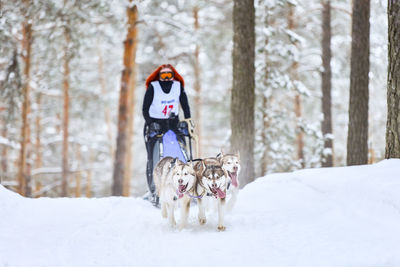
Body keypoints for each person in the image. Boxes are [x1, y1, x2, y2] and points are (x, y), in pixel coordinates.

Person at [142, 64, 192, 201]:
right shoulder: (153, 87)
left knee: (182, 151)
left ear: (173, 75)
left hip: (173, 122)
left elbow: (185, 105)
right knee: (154, 155)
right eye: (163, 75)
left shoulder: (177, 86)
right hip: (156, 123)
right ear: (159, 76)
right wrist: (150, 123)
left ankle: (187, 184)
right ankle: (154, 189)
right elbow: (145, 108)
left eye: (169, 75)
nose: (166, 78)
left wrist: (188, 121)